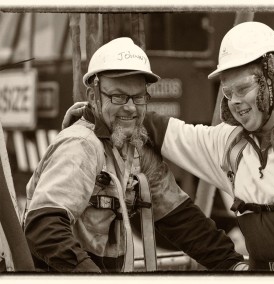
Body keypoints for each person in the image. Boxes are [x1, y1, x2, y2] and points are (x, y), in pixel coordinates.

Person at [64, 23, 274, 272]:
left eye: (242, 89)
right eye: (228, 93)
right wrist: (97, 111)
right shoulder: (230, 145)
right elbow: (163, 129)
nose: (235, 103)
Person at [23, 37, 246, 273]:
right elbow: (43, 227)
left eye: (138, 97)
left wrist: (233, 264)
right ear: (92, 97)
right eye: (118, 97)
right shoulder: (82, 145)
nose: (130, 107)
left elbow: (180, 219)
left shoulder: (134, 149)